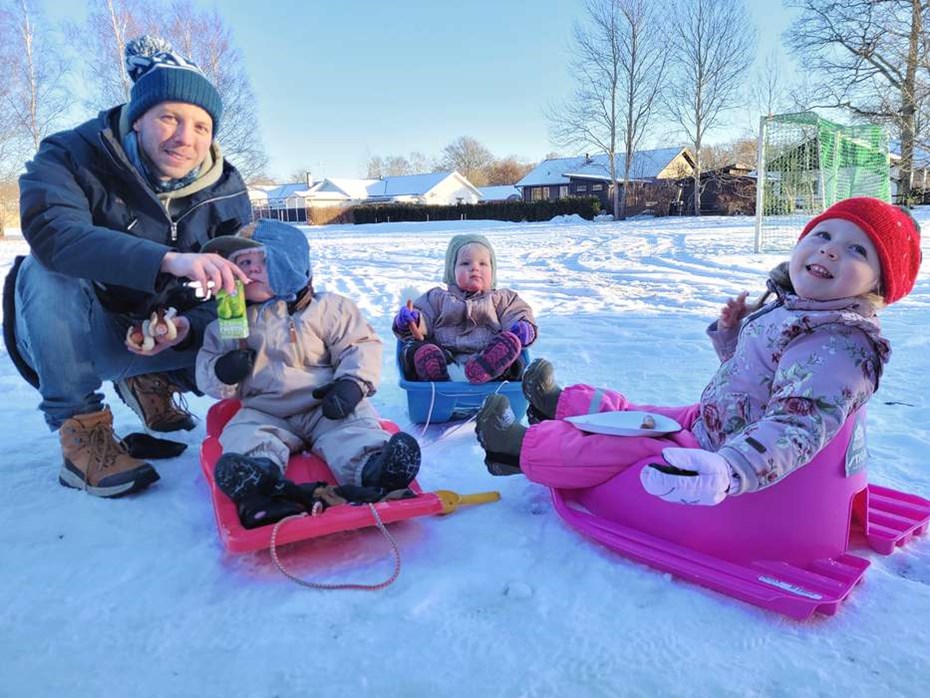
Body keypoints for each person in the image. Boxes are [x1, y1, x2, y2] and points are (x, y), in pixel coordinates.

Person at [474, 197, 922, 505]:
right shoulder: (800, 311)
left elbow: (796, 425)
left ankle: (520, 448)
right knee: (638, 412)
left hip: (728, 451)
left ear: (877, 286)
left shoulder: (839, 343)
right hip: (717, 418)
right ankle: (561, 405)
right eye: (823, 233)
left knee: (626, 445)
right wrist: (733, 335)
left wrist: (730, 469)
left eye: (857, 249)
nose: (830, 249)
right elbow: (760, 376)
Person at [2, 36, 253, 498]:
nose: (185, 138)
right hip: (71, 336)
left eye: (201, 126)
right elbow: (56, 235)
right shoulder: (69, 156)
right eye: (169, 118)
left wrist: (184, 327)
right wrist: (167, 260)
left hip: (154, 338)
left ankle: (149, 379)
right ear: (138, 118)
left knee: (253, 283)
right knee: (45, 268)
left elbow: (230, 293)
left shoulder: (227, 191)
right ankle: (85, 434)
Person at [195, 220, 422, 528]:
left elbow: (359, 344)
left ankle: (376, 468)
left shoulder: (328, 309)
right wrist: (222, 370)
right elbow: (207, 365)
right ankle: (256, 476)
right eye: (242, 264)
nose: (250, 271)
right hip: (264, 410)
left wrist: (352, 384)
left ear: (290, 263)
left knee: (353, 428)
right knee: (245, 434)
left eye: (261, 261)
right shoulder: (229, 323)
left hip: (326, 404)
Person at [393, 234, 538, 384]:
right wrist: (413, 320)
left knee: (514, 356)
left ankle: (486, 368)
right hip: (444, 356)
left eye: (483, 264)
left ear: (492, 271)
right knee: (413, 350)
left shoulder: (502, 299)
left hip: (490, 358)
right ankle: (435, 373)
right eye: (465, 263)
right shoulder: (437, 298)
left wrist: (524, 328)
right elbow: (424, 316)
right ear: (452, 271)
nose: (475, 268)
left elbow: (516, 313)